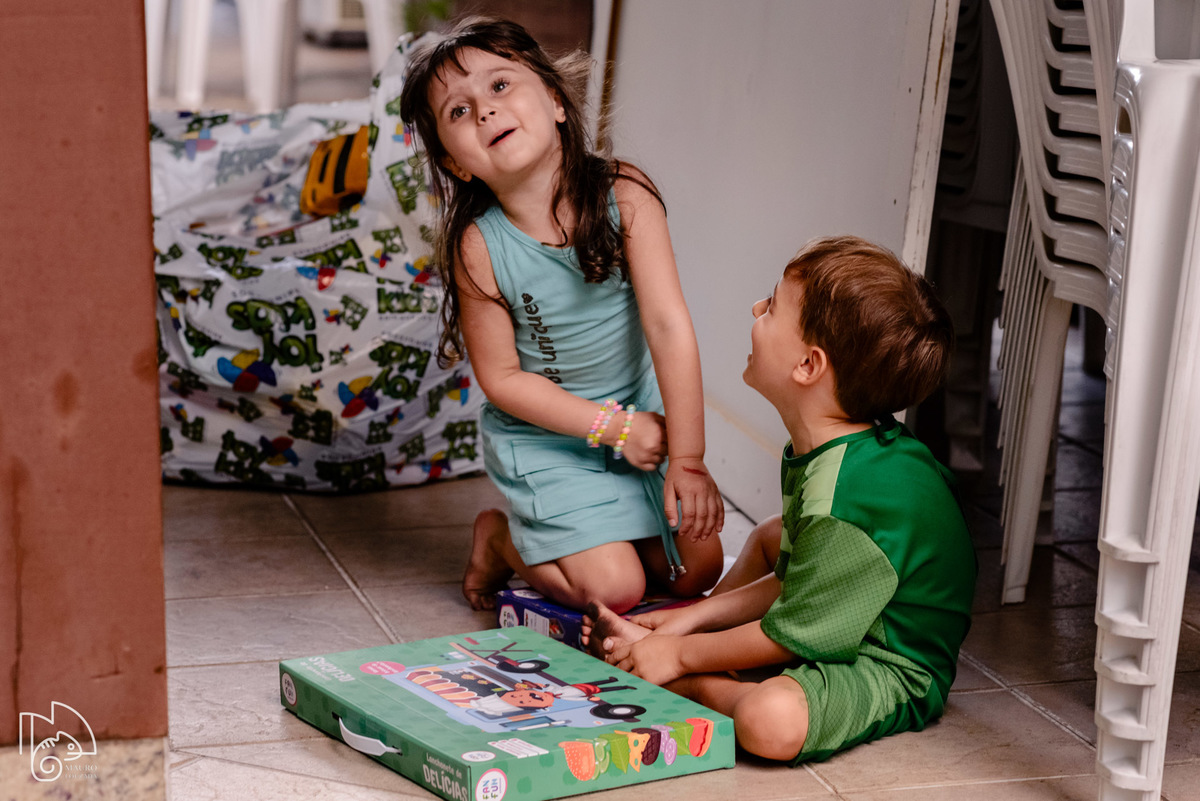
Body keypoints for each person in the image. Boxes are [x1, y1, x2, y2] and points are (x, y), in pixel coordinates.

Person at [583, 235, 977, 764]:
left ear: (808, 366)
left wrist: (679, 656)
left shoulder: (846, 499)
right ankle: (690, 642)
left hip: (889, 660)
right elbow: (800, 579)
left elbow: (792, 634)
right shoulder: (833, 449)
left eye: (770, 307)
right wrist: (691, 620)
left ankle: (684, 681)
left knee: (771, 721)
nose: (755, 309)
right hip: (839, 609)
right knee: (774, 534)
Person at [398, 18, 725, 614]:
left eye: (500, 86)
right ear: (456, 164)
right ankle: (501, 540)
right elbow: (502, 379)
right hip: (550, 438)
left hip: (643, 419)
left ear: (555, 101)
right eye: (458, 111)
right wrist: (613, 429)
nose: (485, 110)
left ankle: (606, 529)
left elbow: (668, 326)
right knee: (616, 589)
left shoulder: (624, 194)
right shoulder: (479, 247)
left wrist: (689, 459)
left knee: (696, 572)